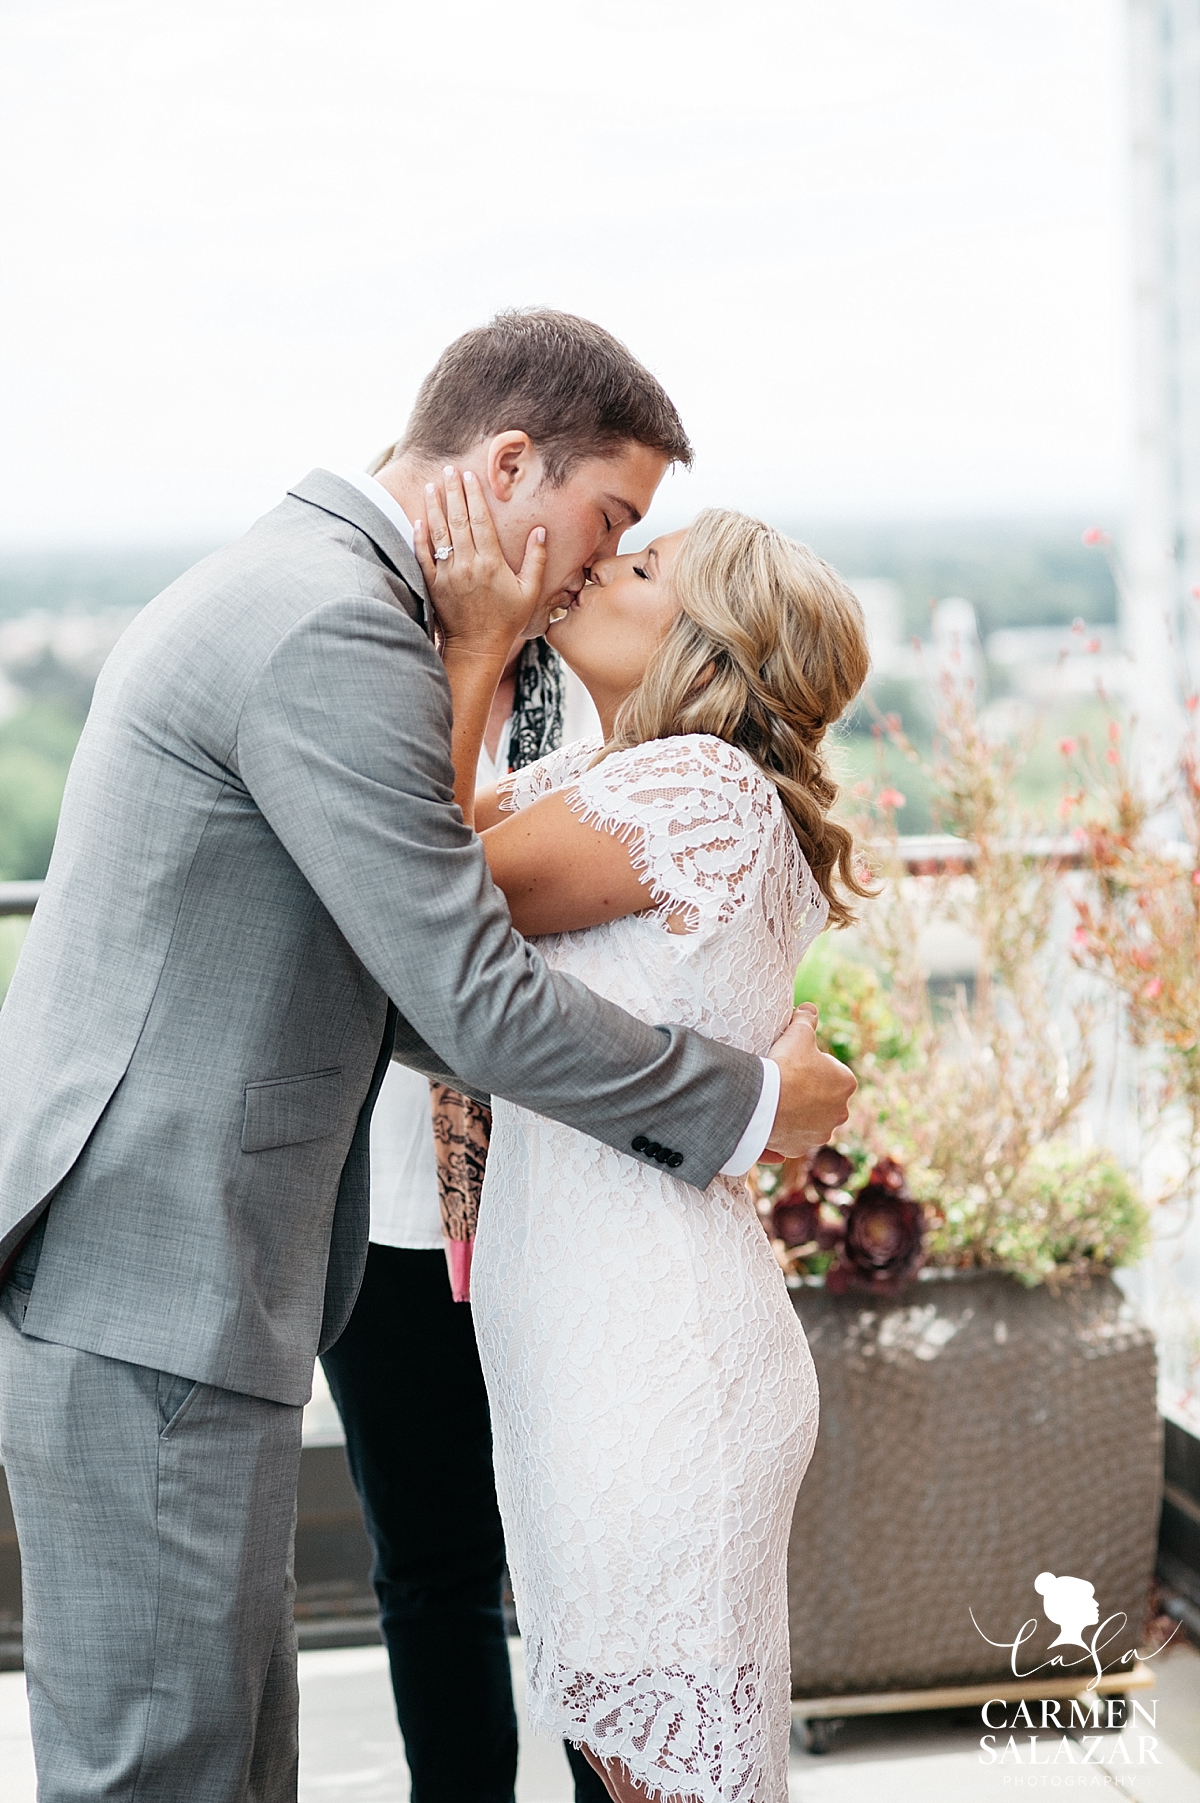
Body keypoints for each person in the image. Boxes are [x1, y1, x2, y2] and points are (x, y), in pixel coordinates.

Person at [0, 308, 855, 1802]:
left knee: (215, 1758)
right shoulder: (334, 622)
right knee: (169, 1768)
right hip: (158, 1277)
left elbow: (419, 965)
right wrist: (754, 1099)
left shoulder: (319, 596)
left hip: (205, 1278)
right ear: (511, 461)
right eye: (609, 519)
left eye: (633, 546)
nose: (596, 558)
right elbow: (456, 990)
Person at [414, 484, 869, 1801]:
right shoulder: (610, 781)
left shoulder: (700, 789)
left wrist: (477, 641)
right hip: (590, 1350)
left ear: (710, 644)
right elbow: (412, 836)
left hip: (650, 1357)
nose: (604, 563)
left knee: (669, 1784)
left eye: (645, 564)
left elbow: (423, 887)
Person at [322, 626, 607, 1802]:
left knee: (595, 1553)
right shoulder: (362, 690)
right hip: (391, 1206)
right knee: (430, 1561)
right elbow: (374, 896)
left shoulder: (607, 690)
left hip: (567, 1200)